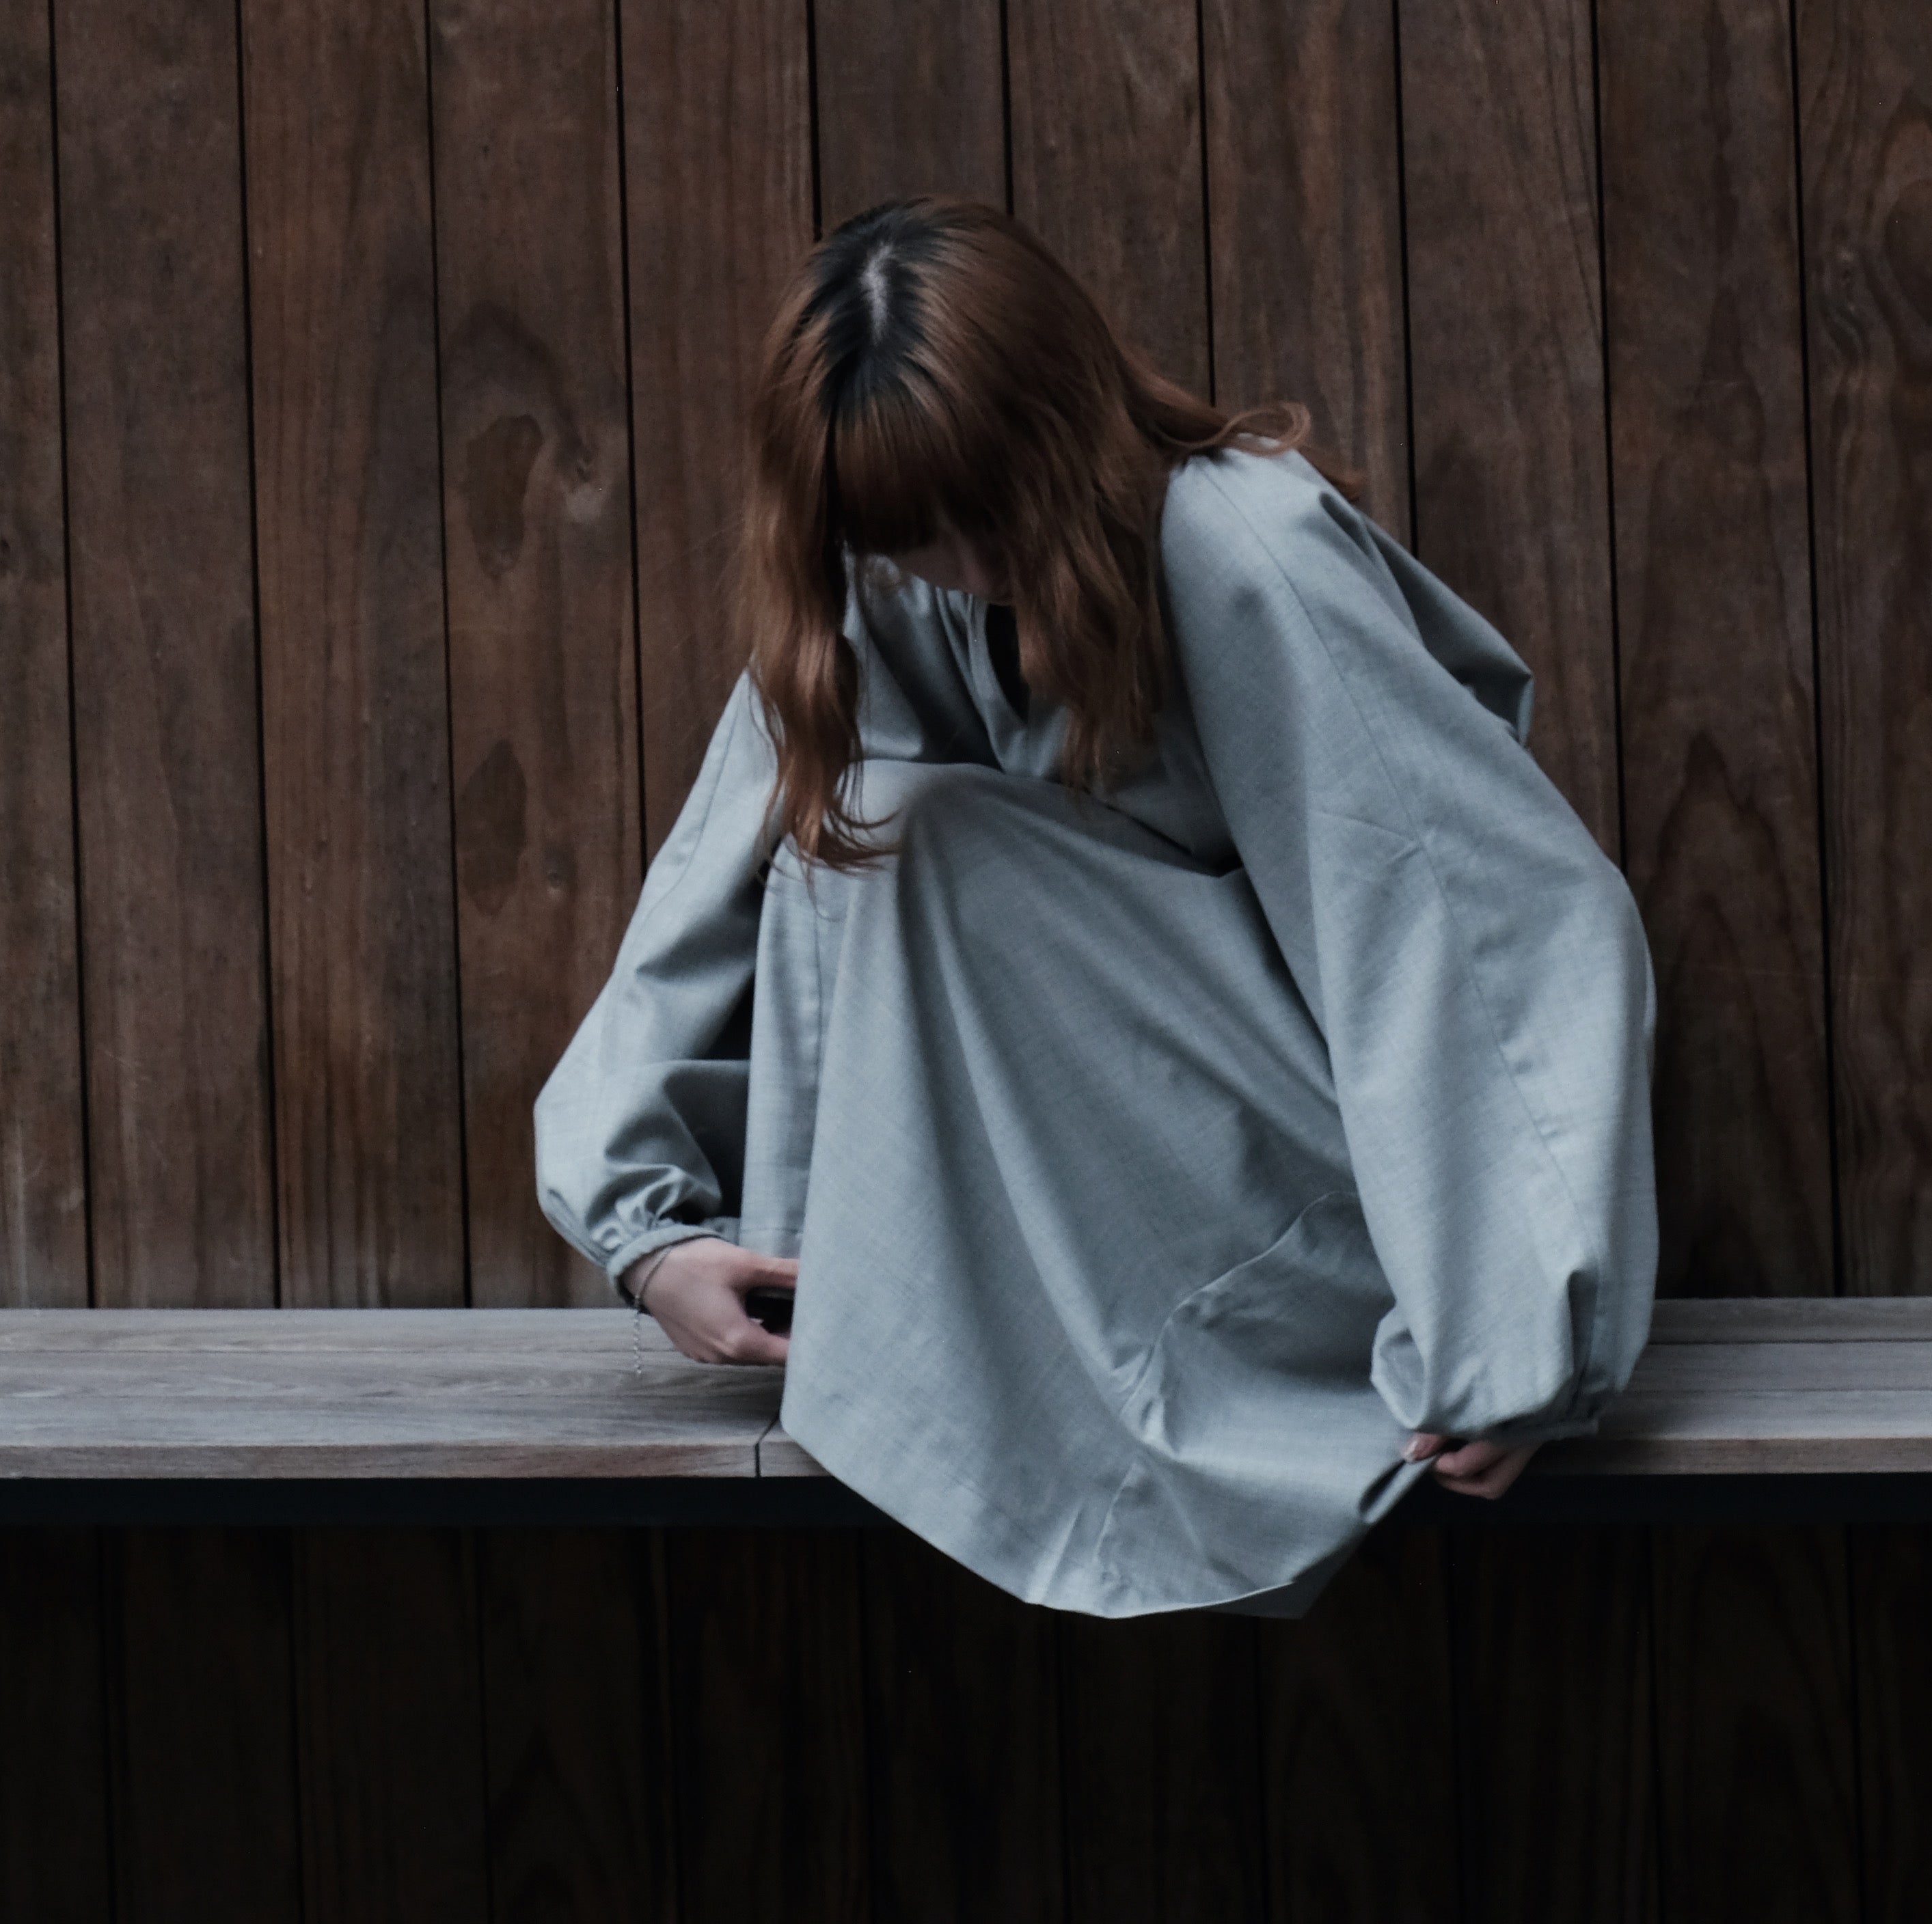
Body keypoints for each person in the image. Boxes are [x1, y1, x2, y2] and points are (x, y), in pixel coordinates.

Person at [534, 198, 1657, 1618]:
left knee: (911, 834)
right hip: (1112, 1193)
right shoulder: (881, 585)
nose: (957, 562)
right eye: (909, 531)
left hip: (1337, 1208)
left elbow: (1472, 917)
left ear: (1057, 424)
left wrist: (1519, 1327)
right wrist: (650, 1238)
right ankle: (821, 1308)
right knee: (843, 823)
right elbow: (715, 884)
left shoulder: (1240, 547)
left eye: (978, 508)